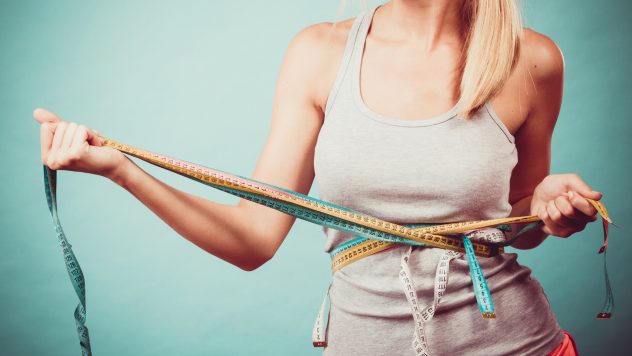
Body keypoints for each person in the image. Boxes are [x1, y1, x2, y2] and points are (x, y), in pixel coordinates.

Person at [34, 1, 602, 355]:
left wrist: (547, 209)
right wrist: (119, 170)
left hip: (517, 345)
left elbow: (518, 226)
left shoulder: (529, 59)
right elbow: (252, 240)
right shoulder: (319, 53)